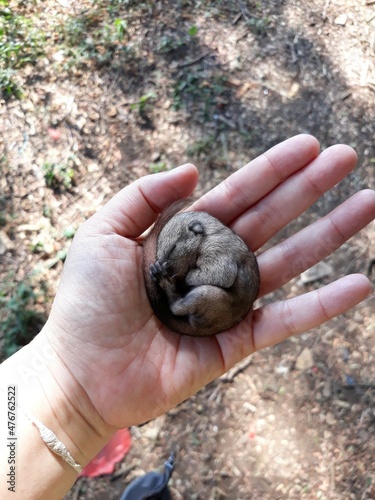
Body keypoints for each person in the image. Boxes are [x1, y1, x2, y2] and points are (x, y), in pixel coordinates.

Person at [0, 135, 374, 499]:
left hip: (218, 300)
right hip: (197, 304)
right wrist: (63, 378)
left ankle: (176, 304)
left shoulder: (216, 250)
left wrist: (178, 285)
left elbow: (223, 278)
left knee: (195, 291)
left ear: (195, 239)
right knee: (177, 284)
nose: (172, 269)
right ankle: (173, 300)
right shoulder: (188, 237)